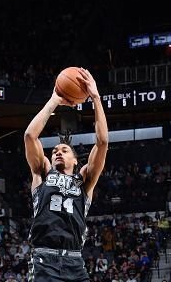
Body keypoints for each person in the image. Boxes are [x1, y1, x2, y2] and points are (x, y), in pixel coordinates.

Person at [24, 68, 108, 281]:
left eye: (64, 150)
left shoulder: (84, 181)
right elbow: (30, 135)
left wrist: (96, 97)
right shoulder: (42, 173)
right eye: (54, 151)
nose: (58, 152)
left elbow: (103, 142)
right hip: (44, 259)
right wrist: (54, 100)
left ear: (75, 161)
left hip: (75, 261)